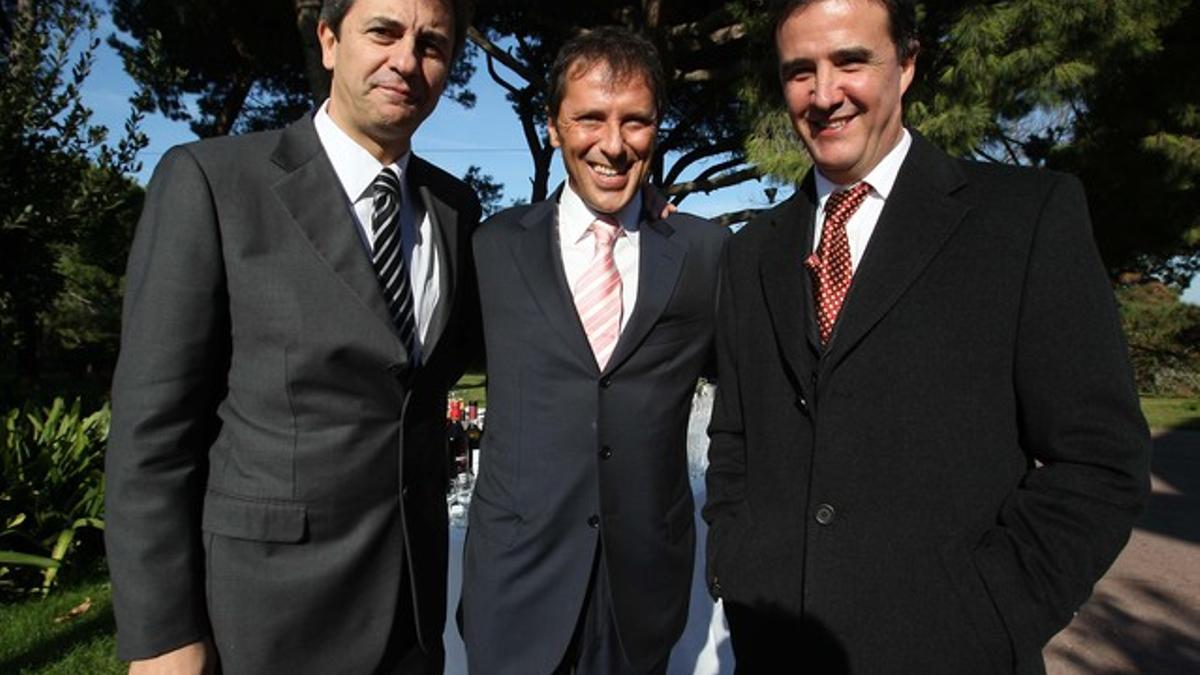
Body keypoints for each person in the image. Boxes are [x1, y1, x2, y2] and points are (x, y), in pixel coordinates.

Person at [702, 0, 1152, 673]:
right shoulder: (750, 254)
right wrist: (737, 566)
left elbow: (1100, 460)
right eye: (800, 70)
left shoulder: (1024, 220)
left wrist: (994, 608)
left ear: (906, 63)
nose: (824, 95)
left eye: (850, 60)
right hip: (776, 652)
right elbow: (734, 438)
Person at [104, 0, 480, 672]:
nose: (406, 60)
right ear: (330, 40)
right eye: (383, 32)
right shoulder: (213, 182)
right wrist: (164, 633)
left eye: (432, 44)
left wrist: (628, 218)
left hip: (413, 617)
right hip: (264, 616)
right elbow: (150, 435)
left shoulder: (455, 209)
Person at [459, 26, 727, 675]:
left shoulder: (702, 253)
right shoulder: (492, 248)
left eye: (634, 121)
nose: (612, 143)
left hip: (641, 596)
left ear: (657, 128)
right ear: (553, 126)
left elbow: (752, 402)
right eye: (589, 118)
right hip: (515, 589)